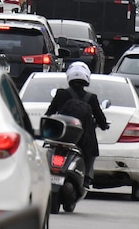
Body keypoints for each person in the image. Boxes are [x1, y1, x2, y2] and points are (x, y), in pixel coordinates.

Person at [44, 61, 109, 189]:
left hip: (61, 136)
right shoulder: (92, 98)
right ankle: (86, 179)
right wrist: (104, 126)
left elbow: (49, 113)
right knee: (92, 152)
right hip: (83, 140)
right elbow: (101, 120)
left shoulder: (61, 94)